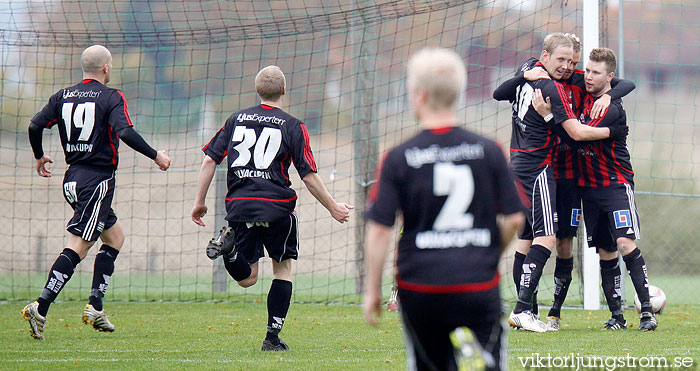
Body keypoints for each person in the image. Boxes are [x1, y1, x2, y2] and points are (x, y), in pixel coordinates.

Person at [363, 47, 525, 371]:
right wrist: (487, 252)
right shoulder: (489, 150)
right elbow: (514, 217)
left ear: (418, 95)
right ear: (459, 93)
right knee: (492, 363)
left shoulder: (398, 157)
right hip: (477, 284)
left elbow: (380, 228)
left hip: (421, 287)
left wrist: (372, 291)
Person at [191, 65, 352, 351]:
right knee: (283, 270)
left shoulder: (235, 120)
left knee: (248, 279)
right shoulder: (293, 125)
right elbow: (309, 176)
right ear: (284, 91)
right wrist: (333, 207)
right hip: (276, 207)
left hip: (240, 206)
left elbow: (209, 161)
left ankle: (229, 252)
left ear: (257, 90)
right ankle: (272, 338)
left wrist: (199, 202)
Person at [22, 45, 171, 340]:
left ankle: (95, 306)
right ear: (106, 68)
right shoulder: (111, 96)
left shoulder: (62, 96)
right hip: (97, 182)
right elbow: (125, 132)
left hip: (72, 180)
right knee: (79, 245)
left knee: (114, 237)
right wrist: (156, 156)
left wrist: (39, 155)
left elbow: (34, 125)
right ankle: (41, 307)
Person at [493, 33, 635, 331]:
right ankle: (525, 310)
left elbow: (623, 83)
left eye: (572, 61)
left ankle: (549, 313)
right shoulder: (546, 85)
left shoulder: (572, 79)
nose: (568, 66)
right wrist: (613, 132)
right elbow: (575, 134)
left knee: (553, 243)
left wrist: (610, 95)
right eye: (561, 60)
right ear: (544, 57)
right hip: (541, 169)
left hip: (562, 178)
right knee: (542, 237)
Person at [533, 48, 656, 331]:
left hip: (615, 185)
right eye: (587, 70)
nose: (588, 76)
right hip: (587, 188)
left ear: (609, 77)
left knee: (625, 243)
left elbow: (578, 138)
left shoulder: (610, 108)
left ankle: (647, 312)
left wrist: (551, 118)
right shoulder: (585, 92)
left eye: (596, 73)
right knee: (605, 250)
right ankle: (617, 317)